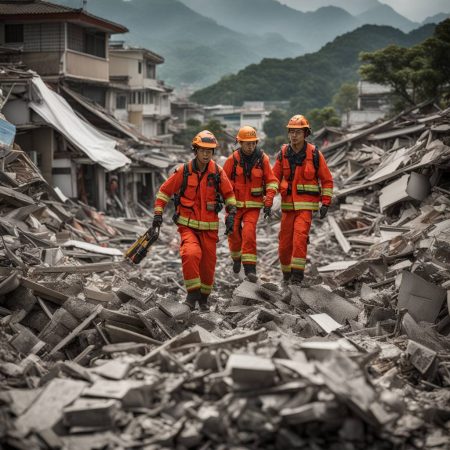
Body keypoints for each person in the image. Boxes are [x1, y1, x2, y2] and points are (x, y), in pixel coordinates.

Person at [152, 130, 237, 311]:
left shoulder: (217, 172)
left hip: (210, 229)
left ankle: (204, 299)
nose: (206, 154)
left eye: (210, 150)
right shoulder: (183, 172)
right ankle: (191, 296)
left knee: (208, 266)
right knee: (190, 254)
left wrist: (232, 214)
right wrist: (158, 214)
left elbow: (229, 195)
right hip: (187, 227)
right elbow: (164, 192)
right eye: (203, 150)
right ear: (195, 150)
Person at [272, 115, 333, 285]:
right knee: (284, 245)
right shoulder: (283, 153)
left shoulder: (314, 154)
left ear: (305, 133)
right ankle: (286, 276)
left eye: (298, 132)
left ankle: (297, 278)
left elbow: (327, 180)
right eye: (291, 131)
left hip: (306, 207)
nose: (294, 135)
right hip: (287, 207)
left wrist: (326, 202)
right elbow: (273, 179)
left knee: (299, 239)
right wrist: (269, 199)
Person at [223, 126, 278, 282]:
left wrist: (269, 199)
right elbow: (222, 183)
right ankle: (236, 259)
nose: (251, 146)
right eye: (247, 143)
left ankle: (250, 269)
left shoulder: (263, 159)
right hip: (234, 206)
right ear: (240, 143)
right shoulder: (232, 160)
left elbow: (272, 181)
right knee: (233, 233)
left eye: (253, 143)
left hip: (253, 206)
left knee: (248, 233)